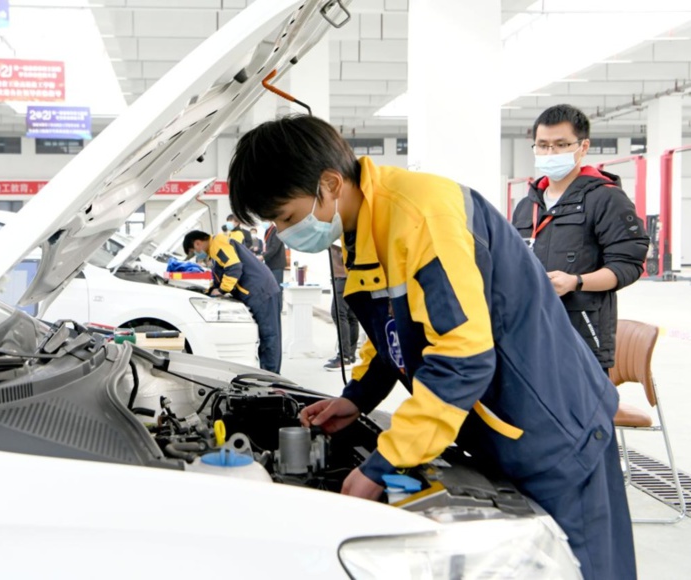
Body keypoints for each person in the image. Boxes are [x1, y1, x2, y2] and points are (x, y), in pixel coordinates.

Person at [227, 115, 635, 580]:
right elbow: (394, 333)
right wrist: (355, 397)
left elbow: (463, 357)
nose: (285, 233)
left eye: (287, 217)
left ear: (329, 184)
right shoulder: (367, 228)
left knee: (581, 570)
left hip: (556, 431)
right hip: (497, 425)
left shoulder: (421, 216)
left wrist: (382, 465)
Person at [513, 104, 649, 374]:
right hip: (529, 336)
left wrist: (576, 282)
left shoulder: (606, 198)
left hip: (582, 338)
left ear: (583, 147)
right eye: (542, 145)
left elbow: (628, 265)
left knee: (579, 416)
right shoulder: (527, 205)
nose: (550, 153)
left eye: (561, 145)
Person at [183, 230, 282, 373]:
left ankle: (273, 380)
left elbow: (234, 266)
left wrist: (222, 290)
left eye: (194, 251)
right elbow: (220, 274)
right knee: (265, 337)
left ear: (197, 243)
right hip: (257, 290)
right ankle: (267, 375)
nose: (197, 254)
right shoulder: (215, 251)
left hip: (261, 290)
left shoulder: (217, 242)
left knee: (269, 336)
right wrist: (211, 290)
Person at [324, 243, 359, 371]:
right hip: (346, 276)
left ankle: (344, 357)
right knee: (350, 316)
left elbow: (344, 247)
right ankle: (349, 355)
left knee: (339, 314)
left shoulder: (339, 231)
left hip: (344, 276)